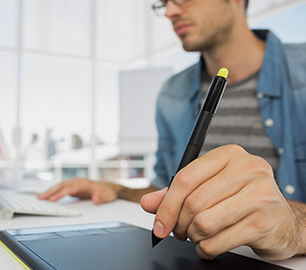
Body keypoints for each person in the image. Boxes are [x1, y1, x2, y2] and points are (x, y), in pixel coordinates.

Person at [39, 0, 306, 261]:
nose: (169, 11)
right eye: (163, 3)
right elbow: (166, 189)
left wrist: (293, 227)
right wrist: (115, 190)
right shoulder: (172, 94)